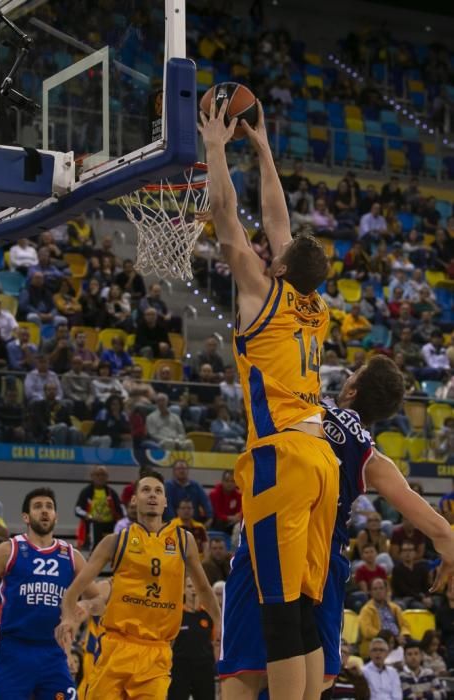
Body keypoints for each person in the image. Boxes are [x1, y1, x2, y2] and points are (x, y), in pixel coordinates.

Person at [200, 97, 339, 699]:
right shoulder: (317, 307)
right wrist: (262, 150)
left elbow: (227, 216)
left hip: (280, 456)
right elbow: (279, 224)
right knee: (303, 604)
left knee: (279, 607)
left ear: (279, 268)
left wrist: (214, 143)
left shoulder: (263, 296)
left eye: (274, 252)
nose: (268, 248)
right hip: (322, 461)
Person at [218, 356, 454, 699]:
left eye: (353, 373)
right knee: (313, 685)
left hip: (270, 538)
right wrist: (448, 553)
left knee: (244, 670)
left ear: (352, 388)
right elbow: (440, 530)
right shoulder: (369, 456)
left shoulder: (303, 408)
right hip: (323, 559)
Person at [55, 472, 221, 700]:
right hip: (116, 645)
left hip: (157, 651)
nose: (152, 495)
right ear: (134, 500)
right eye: (146, 490)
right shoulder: (114, 542)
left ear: (165, 502)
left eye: (158, 491)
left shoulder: (184, 541)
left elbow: (203, 589)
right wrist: (68, 617)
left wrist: (220, 622)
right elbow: (75, 590)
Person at [0, 487, 100, 699]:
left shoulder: (71, 555)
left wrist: (85, 608)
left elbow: (98, 598)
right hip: (13, 650)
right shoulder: (8, 549)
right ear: (26, 517)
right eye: (38, 507)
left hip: (53, 652)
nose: (45, 511)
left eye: (49, 507)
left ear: (56, 516)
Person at [168, 576, 216, 700]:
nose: (193, 589)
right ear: (183, 590)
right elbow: (169, 643)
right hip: (179, 668)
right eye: (189, 586)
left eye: (195, 586)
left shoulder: (208, 615)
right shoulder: (176, 614)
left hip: (204, 668)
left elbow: (215, 641)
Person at [74, 466, 123, 549]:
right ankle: (93, 551)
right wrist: (90, 516)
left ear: (107, 477)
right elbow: (77, 510)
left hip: (111, 523)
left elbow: (121, 509)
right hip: (93, 523)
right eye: (98, 475)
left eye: (103, 475)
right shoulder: (86, 492)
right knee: (95, 525)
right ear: (92, 476)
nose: (100, 477)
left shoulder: (111, 492)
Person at [359, 579, 410, 658]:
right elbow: (367, 631)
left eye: (381, 588)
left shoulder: (395, 607)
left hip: (398, 639)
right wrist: (389, 638)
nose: (378, 591)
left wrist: (403, 635)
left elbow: (405, 625)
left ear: (386, 590)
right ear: (371, 592)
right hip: (379, 641)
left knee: (415, 644)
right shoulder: (366, 610)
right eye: (375, 589)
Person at [165, 459, 213, 524]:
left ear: (188, 470)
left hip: (194, 523)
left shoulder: (196, 486)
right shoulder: (168, 486)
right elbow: (168, 507)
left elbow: (206, 502)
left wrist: (210, 518)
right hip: (173, 523)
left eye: (184, 468)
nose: (181, 471)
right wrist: (174, 523)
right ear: (174, 471)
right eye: (179, 468)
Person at [391, 541, 432, 609]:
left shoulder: (421, 568)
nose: (408, 553)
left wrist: (427, 597)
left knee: (437, 603)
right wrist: (421, 598)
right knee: (420, 607)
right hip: (403, 598)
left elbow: (426, 586)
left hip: (420, 596)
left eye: (410, 550)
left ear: (415, 553)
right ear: (401, 554)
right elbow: (403, 590)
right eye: (405, 550)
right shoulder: (397, 570)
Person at [209, 469, 242, 534]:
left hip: (232, 522)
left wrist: (238, 516)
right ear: (222, 481)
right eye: (227, 481)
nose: (229, 484)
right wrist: (230, 518)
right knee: (219, 521)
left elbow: (240, 511)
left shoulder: (239, 495)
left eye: (232, 481)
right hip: (218, 522)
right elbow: (217, 514)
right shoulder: (214, 494)